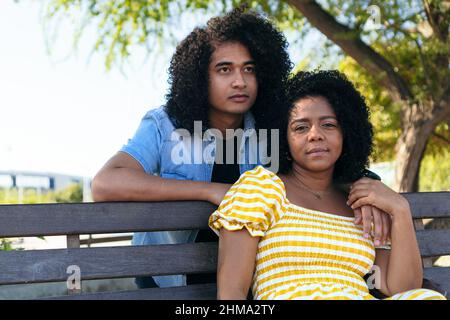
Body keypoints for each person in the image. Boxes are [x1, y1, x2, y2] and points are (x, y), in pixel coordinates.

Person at [92, 6, 292, 288]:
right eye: (224, 69)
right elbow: (105, 184)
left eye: (249, 69)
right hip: (170, 283)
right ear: (199, 77)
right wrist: (209, 191)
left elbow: (323, 168)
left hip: (251, 284)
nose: (240, 81)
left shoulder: (272, 126)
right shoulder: (165, 125)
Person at [209, 70, 447, 300]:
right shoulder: (261, 188)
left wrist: (400, 209)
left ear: (347, 133)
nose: (315, 135)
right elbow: (231, 293)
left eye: (328, 125)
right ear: (284, 139)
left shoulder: (361, 205)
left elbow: (400, 289)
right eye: (301, 127)